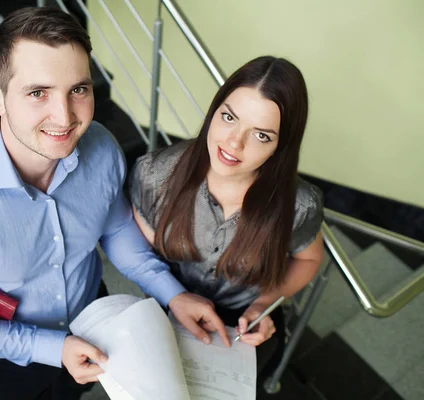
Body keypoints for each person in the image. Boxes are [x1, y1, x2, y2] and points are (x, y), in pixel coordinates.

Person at [0, 7, 229, 400]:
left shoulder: (102, 148)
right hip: (14, 352)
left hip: (96, 315)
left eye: (78, 89)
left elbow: (117, 227)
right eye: (38, 93)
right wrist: (53, 349)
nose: (65, 116)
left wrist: (171, 293)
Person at [129, 56, 325, 373]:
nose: (234, 142)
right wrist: (171, 296)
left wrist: (263, 305)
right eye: (229, 117)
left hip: (244, 317)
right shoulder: (155, 174)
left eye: (261, 135)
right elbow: (141, 249)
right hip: (171, 302)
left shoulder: (299, 205)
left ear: (281, 146)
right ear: (214, 110)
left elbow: (308, 259)